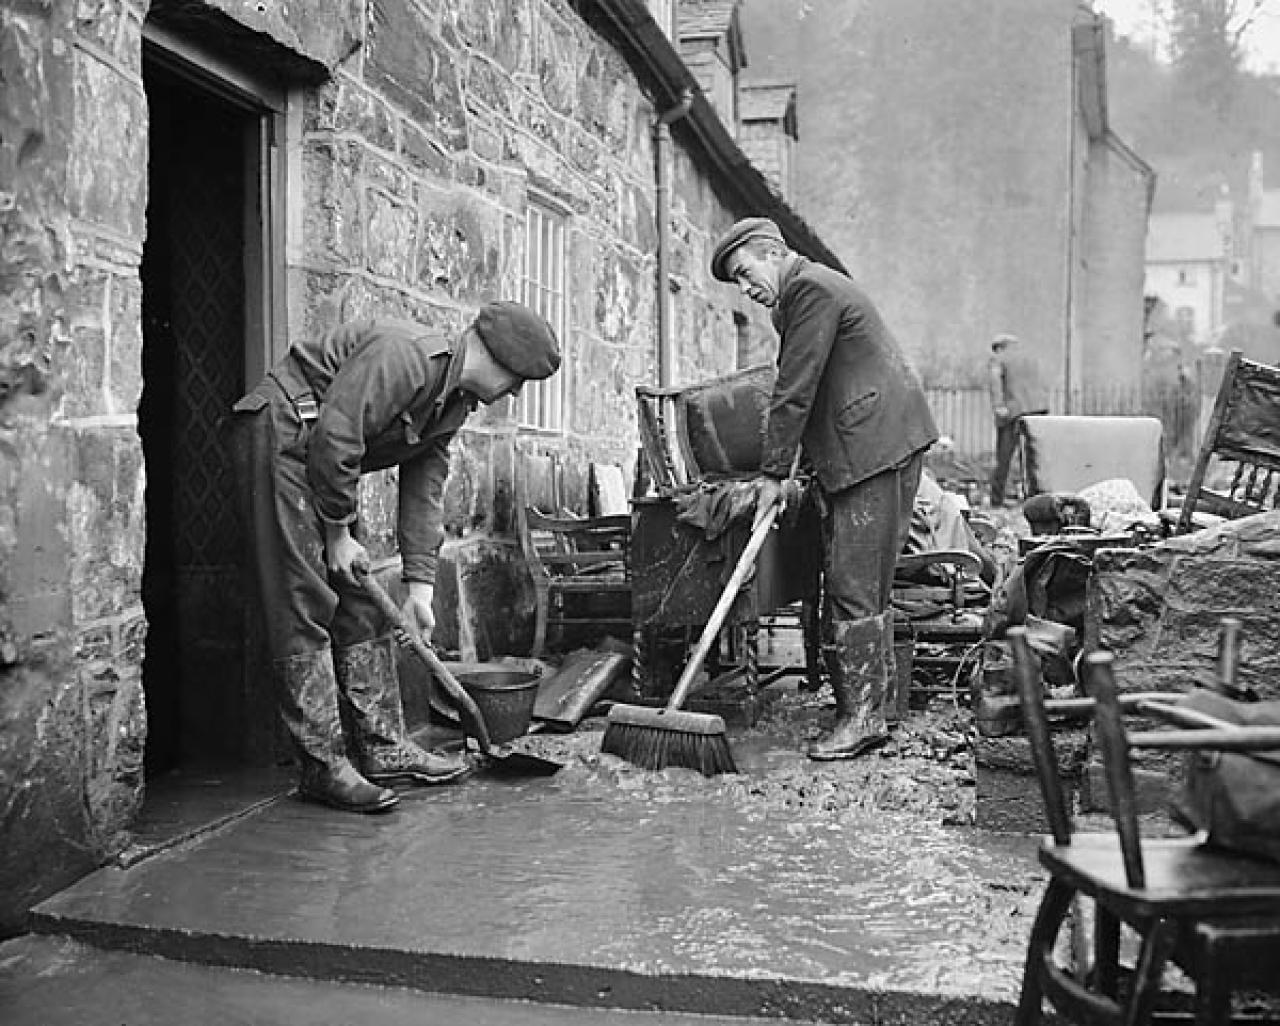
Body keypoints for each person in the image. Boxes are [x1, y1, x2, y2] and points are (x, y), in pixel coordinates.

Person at [227, 302, 560, 813]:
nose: (514, 393)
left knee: (360, 599)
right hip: (284, 433)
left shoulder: (453, 402)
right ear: (495, 358)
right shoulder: (406, 356)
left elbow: (424, 488)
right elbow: (338, 433)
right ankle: (323, 767)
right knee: (304, 596)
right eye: (517, 380)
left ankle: (384, 748)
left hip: (319, 455)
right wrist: (338, 532)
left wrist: (420, 589)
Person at [710, 217, 938, 760]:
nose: (745, 288)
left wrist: (773, 474)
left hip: (871, 448)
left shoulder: (809, 290)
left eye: (745, 273)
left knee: (854, 583)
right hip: (876, 442)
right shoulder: (808, 291)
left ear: (772, 253)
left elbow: (795, 390)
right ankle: (874, 709)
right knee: (866, 583)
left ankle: (862, 719)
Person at [986, 333, 1048, 507]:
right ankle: (1033, 498)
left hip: (1014, 412)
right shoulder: (1030, 359)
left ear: (999, 348)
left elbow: (995, 383)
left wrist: (999, 406)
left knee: (1003, 457)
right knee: (1031, 458)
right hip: (1038, 410)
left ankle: (997, 499)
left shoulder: (998, 359)